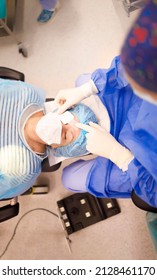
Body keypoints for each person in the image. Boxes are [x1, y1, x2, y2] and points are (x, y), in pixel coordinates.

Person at [55, 0, 157, 208]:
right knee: (82, 80)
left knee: (69, 178)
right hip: (133, 102)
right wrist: (88, 88)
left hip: (139, 163)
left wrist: (121, 157)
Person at [0, 78, 98, 200]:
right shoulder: (25, 95)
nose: (59, 127)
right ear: (62, 108)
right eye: (66, 119)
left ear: (58, 147)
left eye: (66, 135)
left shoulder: (25, 169)